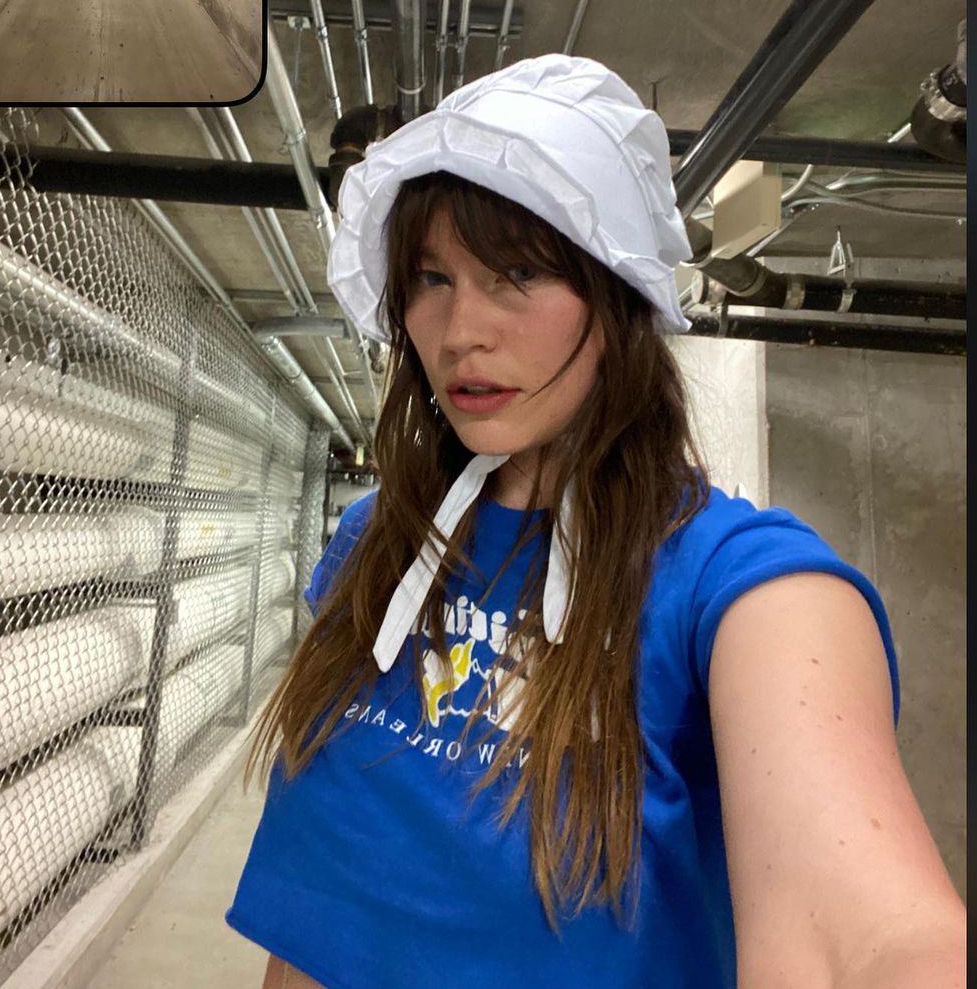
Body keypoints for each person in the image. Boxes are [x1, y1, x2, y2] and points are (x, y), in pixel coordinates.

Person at [225, 56, 964, 988]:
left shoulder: (740, 587)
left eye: (517, 272)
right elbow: (320, 914)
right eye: (429, 278)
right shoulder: (378, 541)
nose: (458, 331)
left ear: (619, 296)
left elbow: (872, 939)